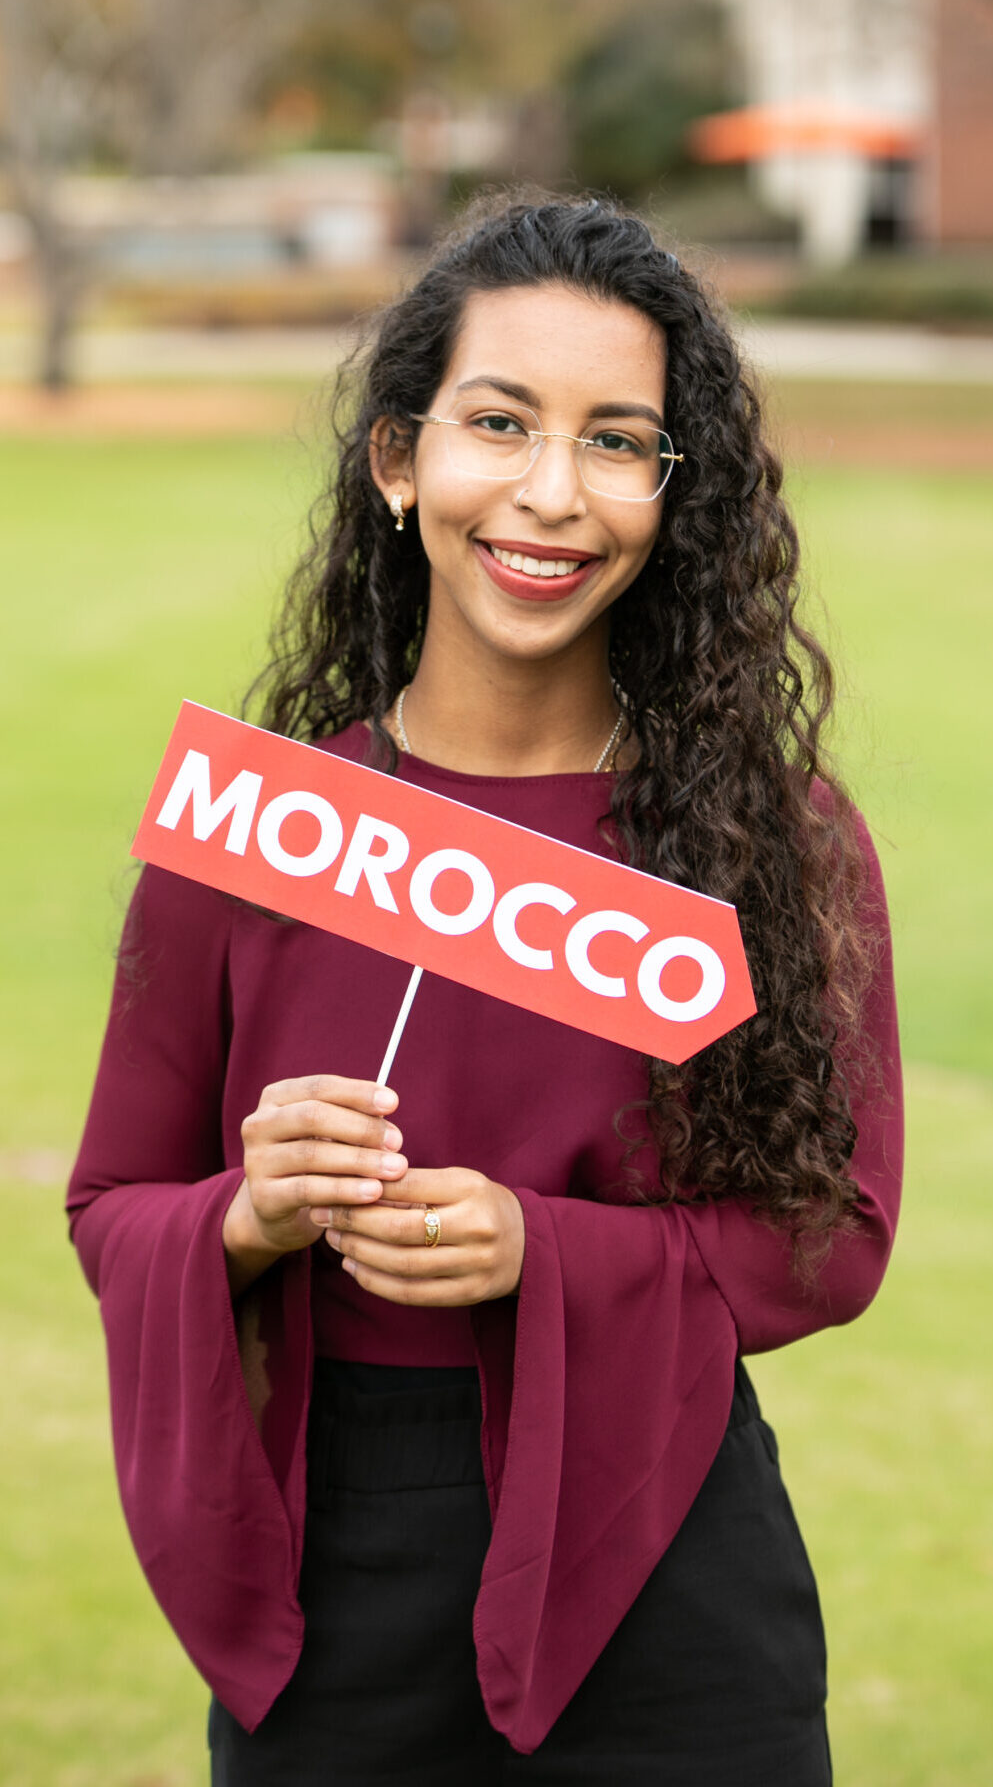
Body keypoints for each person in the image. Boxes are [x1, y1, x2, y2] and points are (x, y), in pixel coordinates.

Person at [67, 193, 902, 1786]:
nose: (547, 494)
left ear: (673, 491)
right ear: (398, 458)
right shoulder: (260, 834)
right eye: (498, 423)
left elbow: (833, 1234)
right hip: (336, 1569)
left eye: (615, 442)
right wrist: (250, 1213)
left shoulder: (766, 839)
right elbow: (111, 1202)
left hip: (661, 1550)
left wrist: (537, 1248)